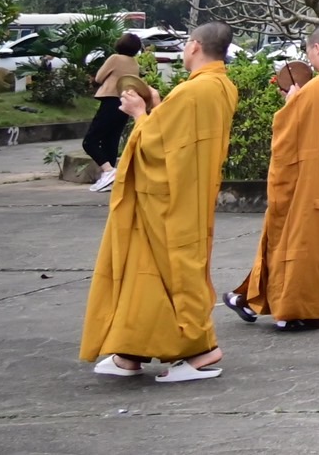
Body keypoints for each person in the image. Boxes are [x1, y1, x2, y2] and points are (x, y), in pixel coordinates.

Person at [81, 21, 239, 382]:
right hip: (189, 194)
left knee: (173, 273)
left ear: (195, 45)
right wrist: (155, 103)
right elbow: (180, 135)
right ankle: (130, 353)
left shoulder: (193, 90)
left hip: (169, 201)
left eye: (186, 45)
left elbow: (157, 145)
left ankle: (201, 350)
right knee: (146, 275)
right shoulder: (221, 86)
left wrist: (139, 114)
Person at [221, 21, 319, 333]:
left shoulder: (317, 87)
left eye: (309, 52)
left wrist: (291, 102)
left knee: (295, 241)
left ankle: (293, 309)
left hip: (308, 181)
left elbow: (287, 129)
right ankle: (292, 305)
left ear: (317, 48)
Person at [82, 33, 150, 191]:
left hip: (110, 101)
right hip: (126, 102)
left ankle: (108, 171)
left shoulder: (115, 58)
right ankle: (109, 180)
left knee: (90, 141)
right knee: (111, 141)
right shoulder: (134, 62)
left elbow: (99, 78)